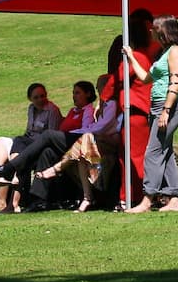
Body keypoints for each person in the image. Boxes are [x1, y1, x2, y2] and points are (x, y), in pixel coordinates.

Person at [0, 80, 98, 210]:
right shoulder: (72, 111)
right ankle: (37, 199)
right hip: (64, 141)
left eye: (77, 93)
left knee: (47, 135)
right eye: (73, 93)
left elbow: (86, 129)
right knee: (45, 152)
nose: (74, 96)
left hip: (77, 142)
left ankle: (9, 169)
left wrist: (66, 133)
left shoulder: (88, 110)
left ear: (88, 94)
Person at [123, 15, 178, 214]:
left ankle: (147, 199)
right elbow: (145, 78)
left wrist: (166, 111)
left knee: (152, 153)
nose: (151, 32)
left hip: (167, 107)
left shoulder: (176, 52)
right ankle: (174, 199)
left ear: (163, 30)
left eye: (154, 29)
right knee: (165, 153)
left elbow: (175, 83)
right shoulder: (164, 52)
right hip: (157, 107)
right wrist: (132, 56)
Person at [102, 8, 161, 210]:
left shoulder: (135, 58)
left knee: (130, 157)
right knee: (133, 156)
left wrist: (102, 100)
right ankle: (132, 196)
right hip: (142, 113)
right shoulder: (147, 56)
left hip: (135, 113)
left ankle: (132, 197)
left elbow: (114, 83)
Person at [37, 78, 122, 212]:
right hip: (89, 140)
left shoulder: (106, 105)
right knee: (79, 152)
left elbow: (99, 127)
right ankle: (87, 197)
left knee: (78, 137)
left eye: (77, 93)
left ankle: (57, 168)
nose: (98, 90)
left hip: (106, 141)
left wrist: (74, 132)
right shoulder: (96, 106)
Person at [0, 83, 63, 213]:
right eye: (36, 97)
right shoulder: (31, 109)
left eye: (42, 96)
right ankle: (4, 195)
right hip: (29, 141)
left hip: (42, 145)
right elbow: (29, 131)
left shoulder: (52, 110)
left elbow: (51, 135)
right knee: (16, 141)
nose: (40, 100)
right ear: (30, 99)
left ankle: (12, 201)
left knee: (22, 154)